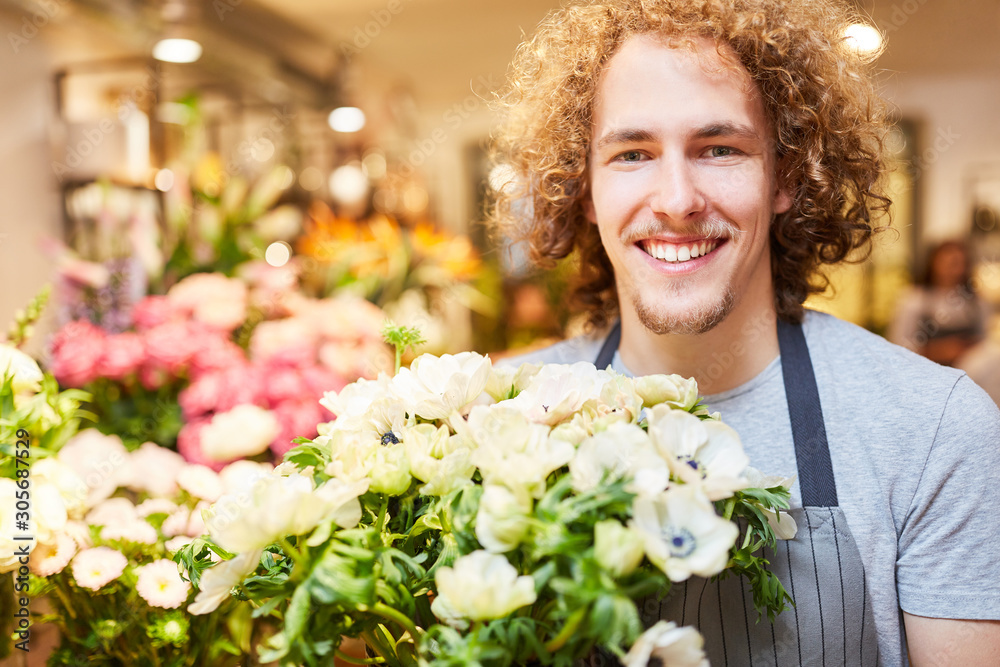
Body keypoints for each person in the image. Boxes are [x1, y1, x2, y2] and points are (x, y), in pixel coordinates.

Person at [489, 0, 1000, 664]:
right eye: (633, 153)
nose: (676, 199)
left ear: (785, 176)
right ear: (586, 189)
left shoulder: (932, 429)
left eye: (720, 148)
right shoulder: (500, 423)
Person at [889, 240, 992, 366]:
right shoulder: (914, 300)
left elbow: (986, 344)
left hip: (969, 373)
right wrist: (938, 351)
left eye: (962, 264)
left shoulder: (977, 302)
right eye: (951, 264)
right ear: (933, 263)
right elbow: (898, 346)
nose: (957, 271)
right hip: (927, 372)